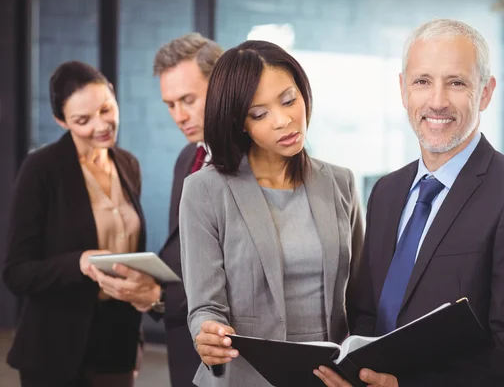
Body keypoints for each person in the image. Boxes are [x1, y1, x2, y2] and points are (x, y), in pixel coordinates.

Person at [315, 19, 504, 387]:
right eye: (422, 81)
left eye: (457, 82)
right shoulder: (386, 191)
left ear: (485, 92)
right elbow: (368, 315)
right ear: (403, 90)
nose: (436, 101)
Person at [178, 40, 365, 386]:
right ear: (240, 123)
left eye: (289, 100)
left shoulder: (341, 182)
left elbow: (359, 297)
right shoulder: (205, 190)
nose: (284, 120)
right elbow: (205, 307)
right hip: (244, 378)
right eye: (259, 114)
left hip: (328, 379)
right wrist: (206, 332)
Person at [89, 33, 224, 387]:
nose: (179, 116)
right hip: (183, 344)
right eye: (170, 104)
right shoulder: (188, 157)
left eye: (188, 100)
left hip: (224, 347)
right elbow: (186, 250)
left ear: (223, 85)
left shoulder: (254, 162)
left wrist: (160, 295)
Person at [3, 61, 149, 387]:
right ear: (61, 121)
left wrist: (136, 340)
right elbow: (16, 272)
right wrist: (79, 262)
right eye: (82, 120)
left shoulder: (128, 164)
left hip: (118, 339)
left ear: (113, 95)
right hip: (56, 345)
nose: (101, 125)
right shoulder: (40, 169)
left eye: (106, 109)